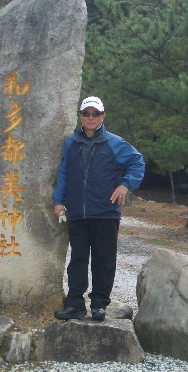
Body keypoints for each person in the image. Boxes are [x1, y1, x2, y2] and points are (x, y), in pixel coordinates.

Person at [52, 96, 145, 321]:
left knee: (104, 260)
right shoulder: (71, 143)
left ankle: (99, 304)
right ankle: (75, 304)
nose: (90, 117)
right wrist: (58, 201)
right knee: (78, 260)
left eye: (95, 113)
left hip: (106, 212)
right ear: (80, 116)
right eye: (86, 113)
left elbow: (137, 162)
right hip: (77, 212)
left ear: (102, 116)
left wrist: (125, 185)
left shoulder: (115, 143)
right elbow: (64, 174)